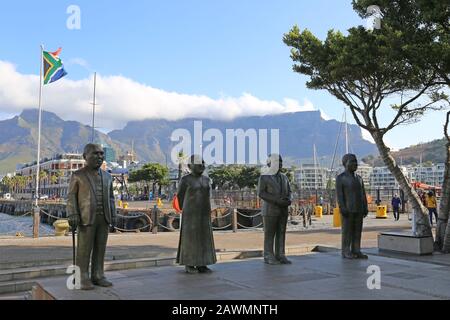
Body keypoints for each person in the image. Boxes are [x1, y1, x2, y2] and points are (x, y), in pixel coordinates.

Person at [67, 144, 117, 290]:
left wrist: (113, 214)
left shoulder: (108, 176)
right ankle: (81, 277)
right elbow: (70, 197)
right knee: (84, 249)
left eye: (101, 154)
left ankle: (98, 275)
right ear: (85, 157)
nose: (99, 157)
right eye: (95, 154)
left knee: (100, 248)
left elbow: (111, 198)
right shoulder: (78, 175)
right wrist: (73, 213)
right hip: (86, 218)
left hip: (104, 218)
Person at [176, 155, 216, 274]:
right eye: (198, 163)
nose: (201, 165)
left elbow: (209, 196)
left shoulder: (206, 180)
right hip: (191, 213)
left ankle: (202, 263)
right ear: (189, 166)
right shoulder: (185, 180)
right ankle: (189, 264)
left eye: (203, 163)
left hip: (204, 212)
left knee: (204, 238)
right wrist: (186, 209)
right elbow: (180, 196)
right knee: (190, 239)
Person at [257, 154, 292, 265]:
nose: (280, 164)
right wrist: (277, 200)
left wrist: (289, 200)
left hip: (283, 210)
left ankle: (281, 254)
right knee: (269, 234)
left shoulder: (285, 177)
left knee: (281, 232)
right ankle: (268, 255)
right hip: (270, 210)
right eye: (277, 161)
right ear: (269, 163)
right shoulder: (264, 177)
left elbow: (290, 192)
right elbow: (261, 193)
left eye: (281, 161)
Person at [336, 154, 368, 259]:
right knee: (347, 232)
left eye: (356, 161)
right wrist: (342, 207)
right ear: (345, 164)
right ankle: (346, 251)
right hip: (347, 209)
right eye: (352, 161)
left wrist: (365, 207)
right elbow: (340, 195)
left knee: (357, 231)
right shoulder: (340, 178)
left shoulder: (359, 178)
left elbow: (363, 194)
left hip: (359, 209)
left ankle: (356, 249)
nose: (355, 164)